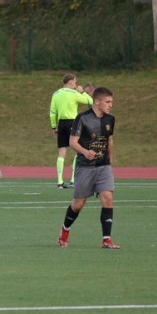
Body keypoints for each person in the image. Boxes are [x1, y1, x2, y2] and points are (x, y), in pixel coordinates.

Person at [57, 86, 120, 250]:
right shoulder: (82, 118)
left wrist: (110, 160)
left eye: (111, 102)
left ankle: (106, 239)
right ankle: (65, 230)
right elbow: (72, 142)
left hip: (103, 166)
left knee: (107, 198)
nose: (110, 105)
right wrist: (86, 152)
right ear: (97, 102)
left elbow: (110, 140)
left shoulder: (110, 119)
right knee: (78, 204)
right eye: (107, 102)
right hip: (85, 167)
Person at [49, 73, 94, 189]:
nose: (76, 84)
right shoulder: (74, 93)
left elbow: (52, 112)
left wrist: (54, 126)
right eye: (75, 81)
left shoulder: (56, 94)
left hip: (61, 123)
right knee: (78, 150)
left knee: (61, 152)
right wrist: (82, 92)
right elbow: (90, 101)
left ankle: (60, 181)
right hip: (73, 123)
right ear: (70, 82)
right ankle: (73, 180)